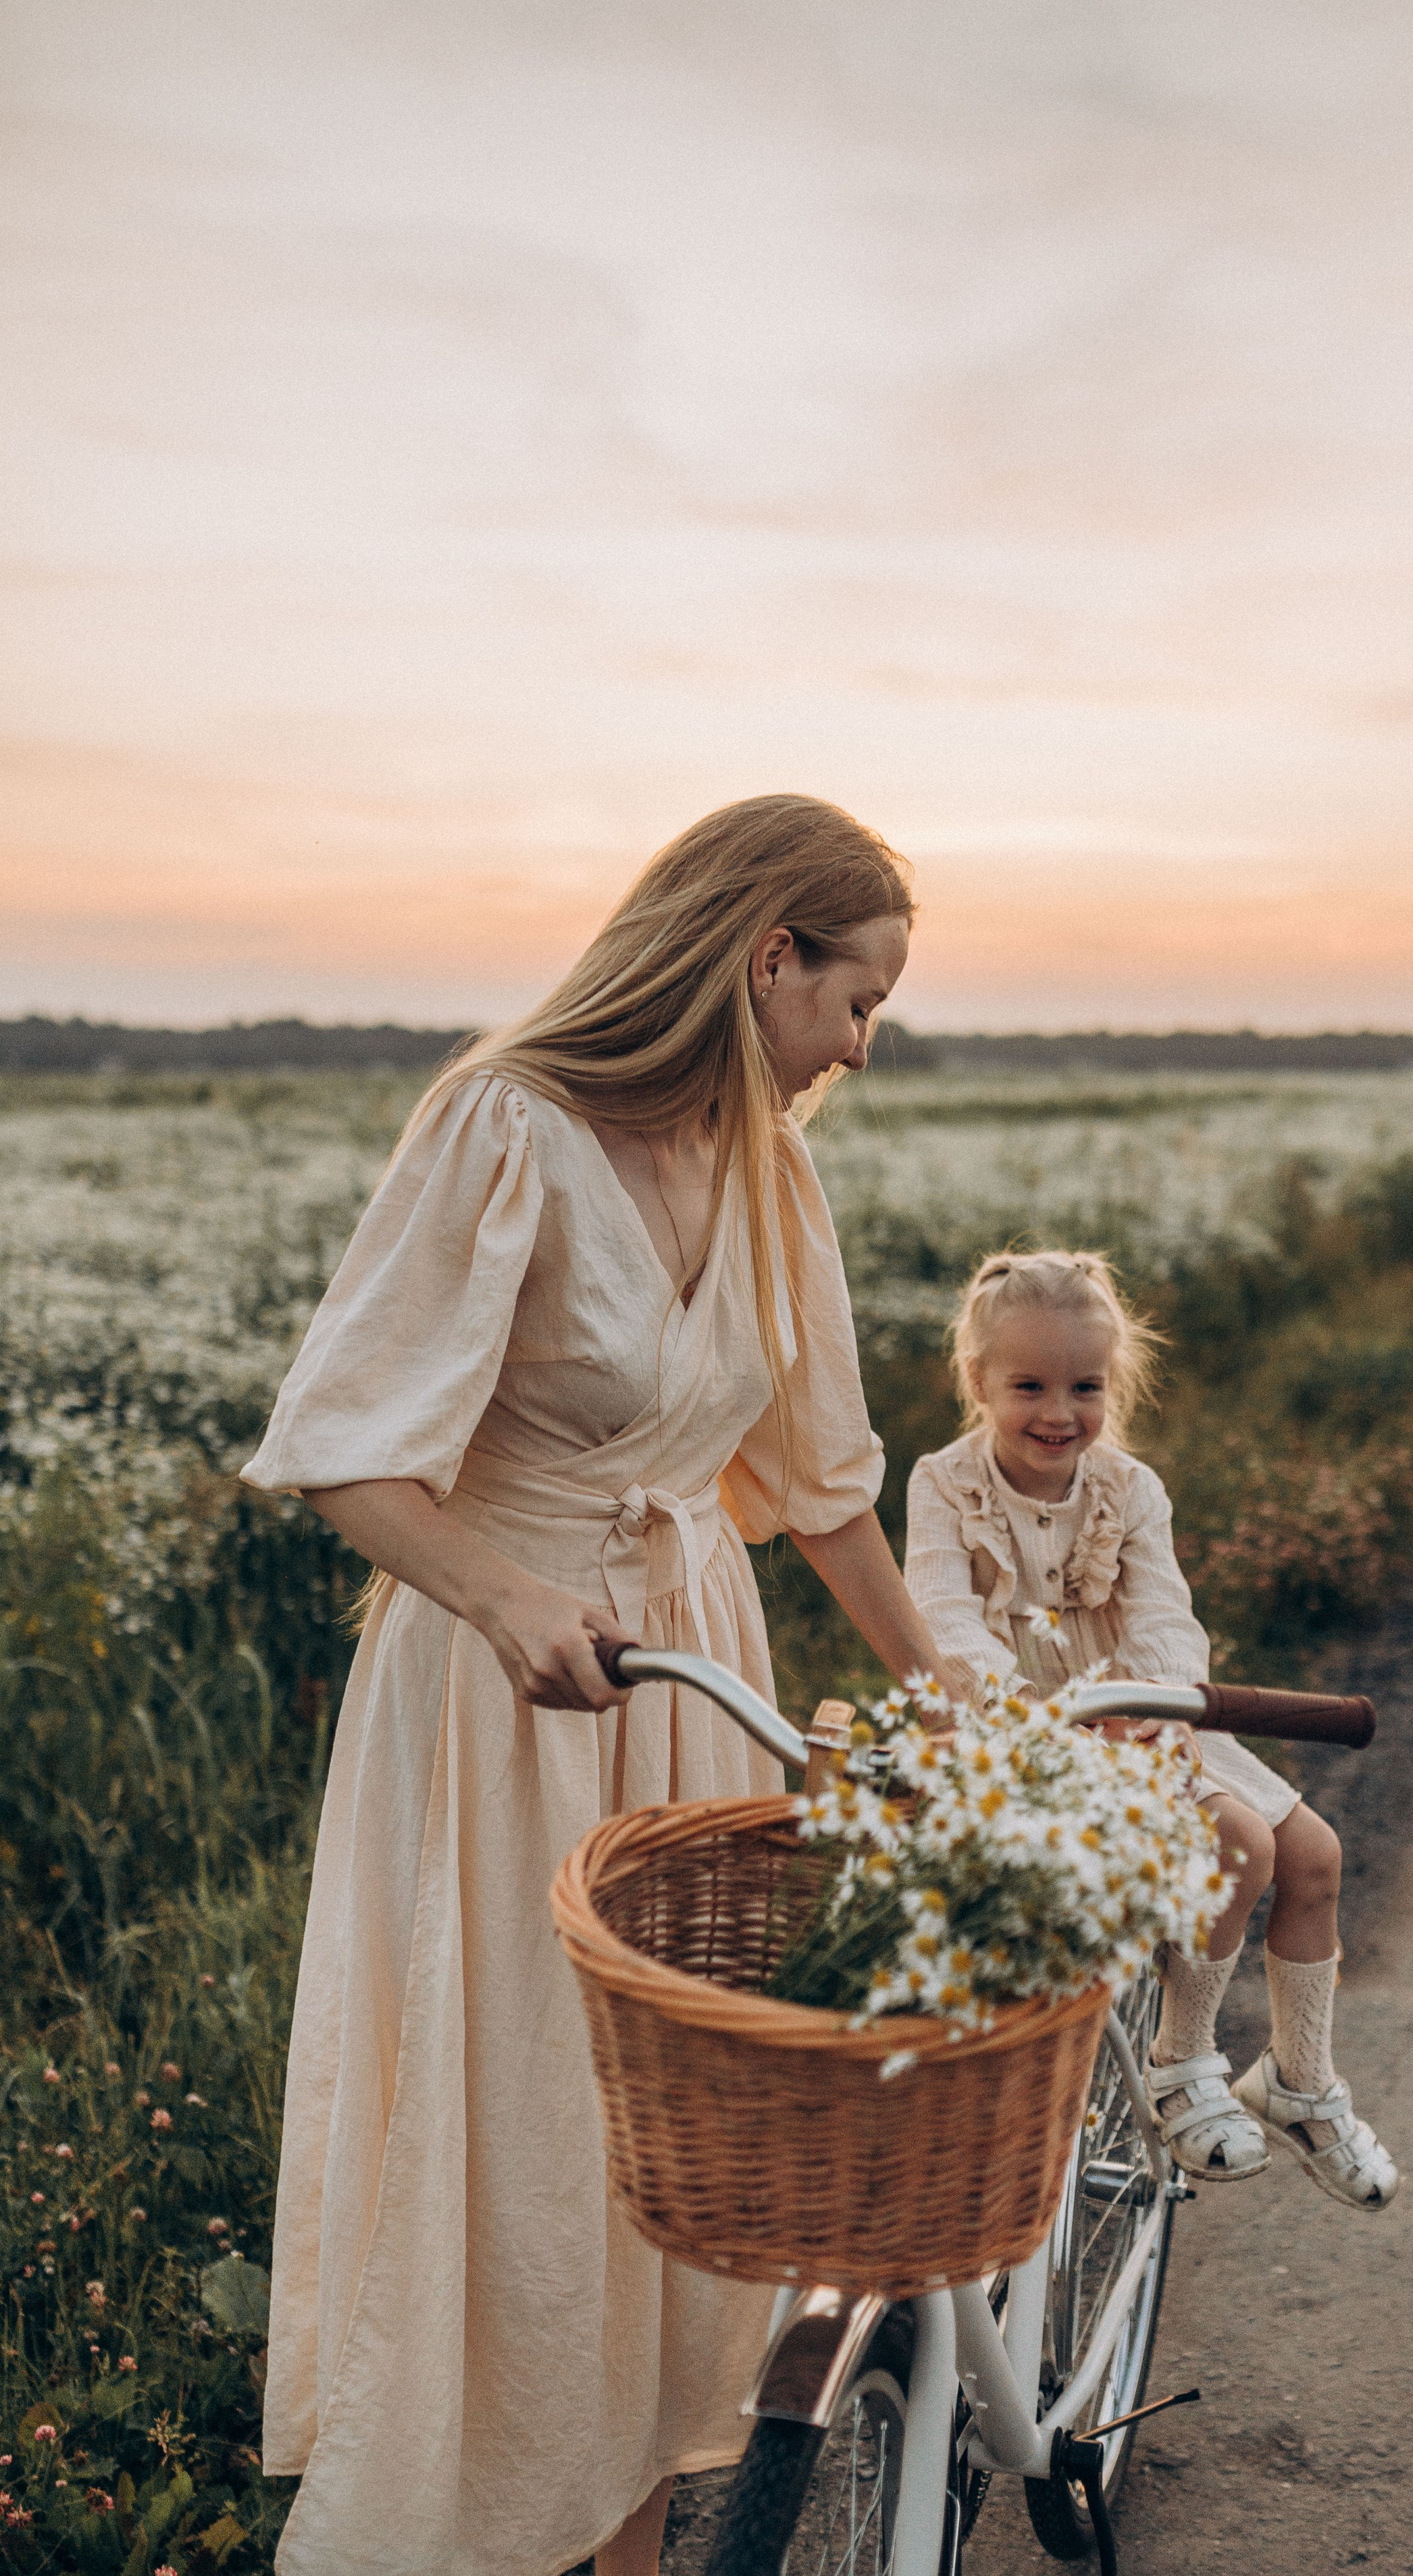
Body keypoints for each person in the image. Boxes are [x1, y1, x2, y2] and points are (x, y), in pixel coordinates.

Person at [241, 796, 971, 2576]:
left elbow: (819, 1488)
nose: (864, 1046)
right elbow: (347, 1449)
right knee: (515, 2138)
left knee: (677, 2146)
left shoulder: (771, 1162)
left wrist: (953, 1681)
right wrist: (502, 1596)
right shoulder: (509, 1123)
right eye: (859, 998)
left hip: (693, 1686)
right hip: (515, 1700)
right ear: (767, 951)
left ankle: (630, 2543)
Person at [902, 1247, 1399, 2213]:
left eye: (1085, 1386)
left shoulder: (1129, 1489)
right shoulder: (944, 1484)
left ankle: (1297, 2084)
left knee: (1318, 1855)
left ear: (1112, 1385)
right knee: (1238, 1841)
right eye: (1030, 1385)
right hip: (1019, 1727)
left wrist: (1162, 1698)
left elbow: (1165, 1615)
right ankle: (1181, 2058)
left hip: (1142, 1711)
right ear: (978, 1383)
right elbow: (945, 1618)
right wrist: (1037, 1712)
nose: (1060, 1412)